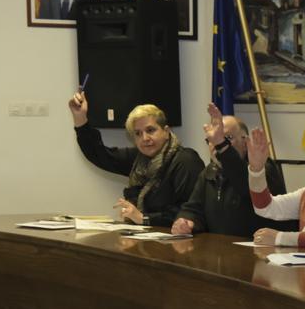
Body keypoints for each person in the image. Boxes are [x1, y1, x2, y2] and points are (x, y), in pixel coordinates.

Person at [69, 92, 204, 226]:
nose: (145, 138)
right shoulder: (138, 159)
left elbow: (190, 211)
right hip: (146, 238)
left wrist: (143, 218)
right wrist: (81, 119)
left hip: (184, 242)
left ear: (166, 131)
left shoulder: (186, 160)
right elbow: (100, 155)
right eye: (138, 134)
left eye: (150, 130)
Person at [170, 103, 286, 238]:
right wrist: (186, 221)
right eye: (211, 140)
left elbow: (244, 184)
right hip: (222, 251)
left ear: (245, 142)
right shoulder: (210, 172)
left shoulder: (263, 167)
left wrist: (223, 147)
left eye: (227, 138)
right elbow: (193, 209)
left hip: (259, 250)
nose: (215, 145)